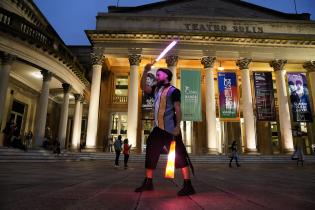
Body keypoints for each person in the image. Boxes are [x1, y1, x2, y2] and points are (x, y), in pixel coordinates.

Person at [135, 63, 195, 196]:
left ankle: (188, 184)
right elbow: (142, 87)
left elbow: (178, 108)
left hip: (170, 128)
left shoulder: (174, 91)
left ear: (166, 76)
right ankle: (148, 182)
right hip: (157, 129)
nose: (156, 76)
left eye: (159, 74)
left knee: (179, 155)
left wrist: (177, 126)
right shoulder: (156, 89)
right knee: (150, 153)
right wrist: (145, 71)